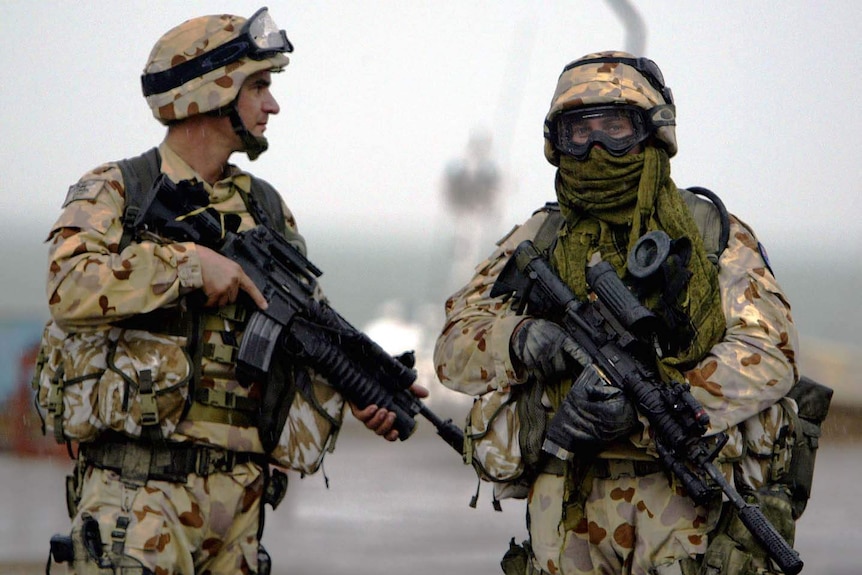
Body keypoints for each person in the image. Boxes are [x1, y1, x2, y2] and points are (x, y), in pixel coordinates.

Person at [39, 8, 423, 574]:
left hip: (241, 503)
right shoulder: (120, 190)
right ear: (210, 93)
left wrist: (359, 387)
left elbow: (297, 330)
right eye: (259, 86)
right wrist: (188, 267)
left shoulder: (264, 208)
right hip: (140, 497)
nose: (273, 104)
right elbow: (67, 286)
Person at [433, 51, 800, 574]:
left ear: (651, 133)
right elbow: (453, 347)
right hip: (564, 502)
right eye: (579, 132)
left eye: (615, 127)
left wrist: (657, 410)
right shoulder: (540, 238)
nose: (597, 148)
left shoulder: (711, 235)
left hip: (680, 502)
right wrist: (522, 339)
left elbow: (770, 352)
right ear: (556, 143)